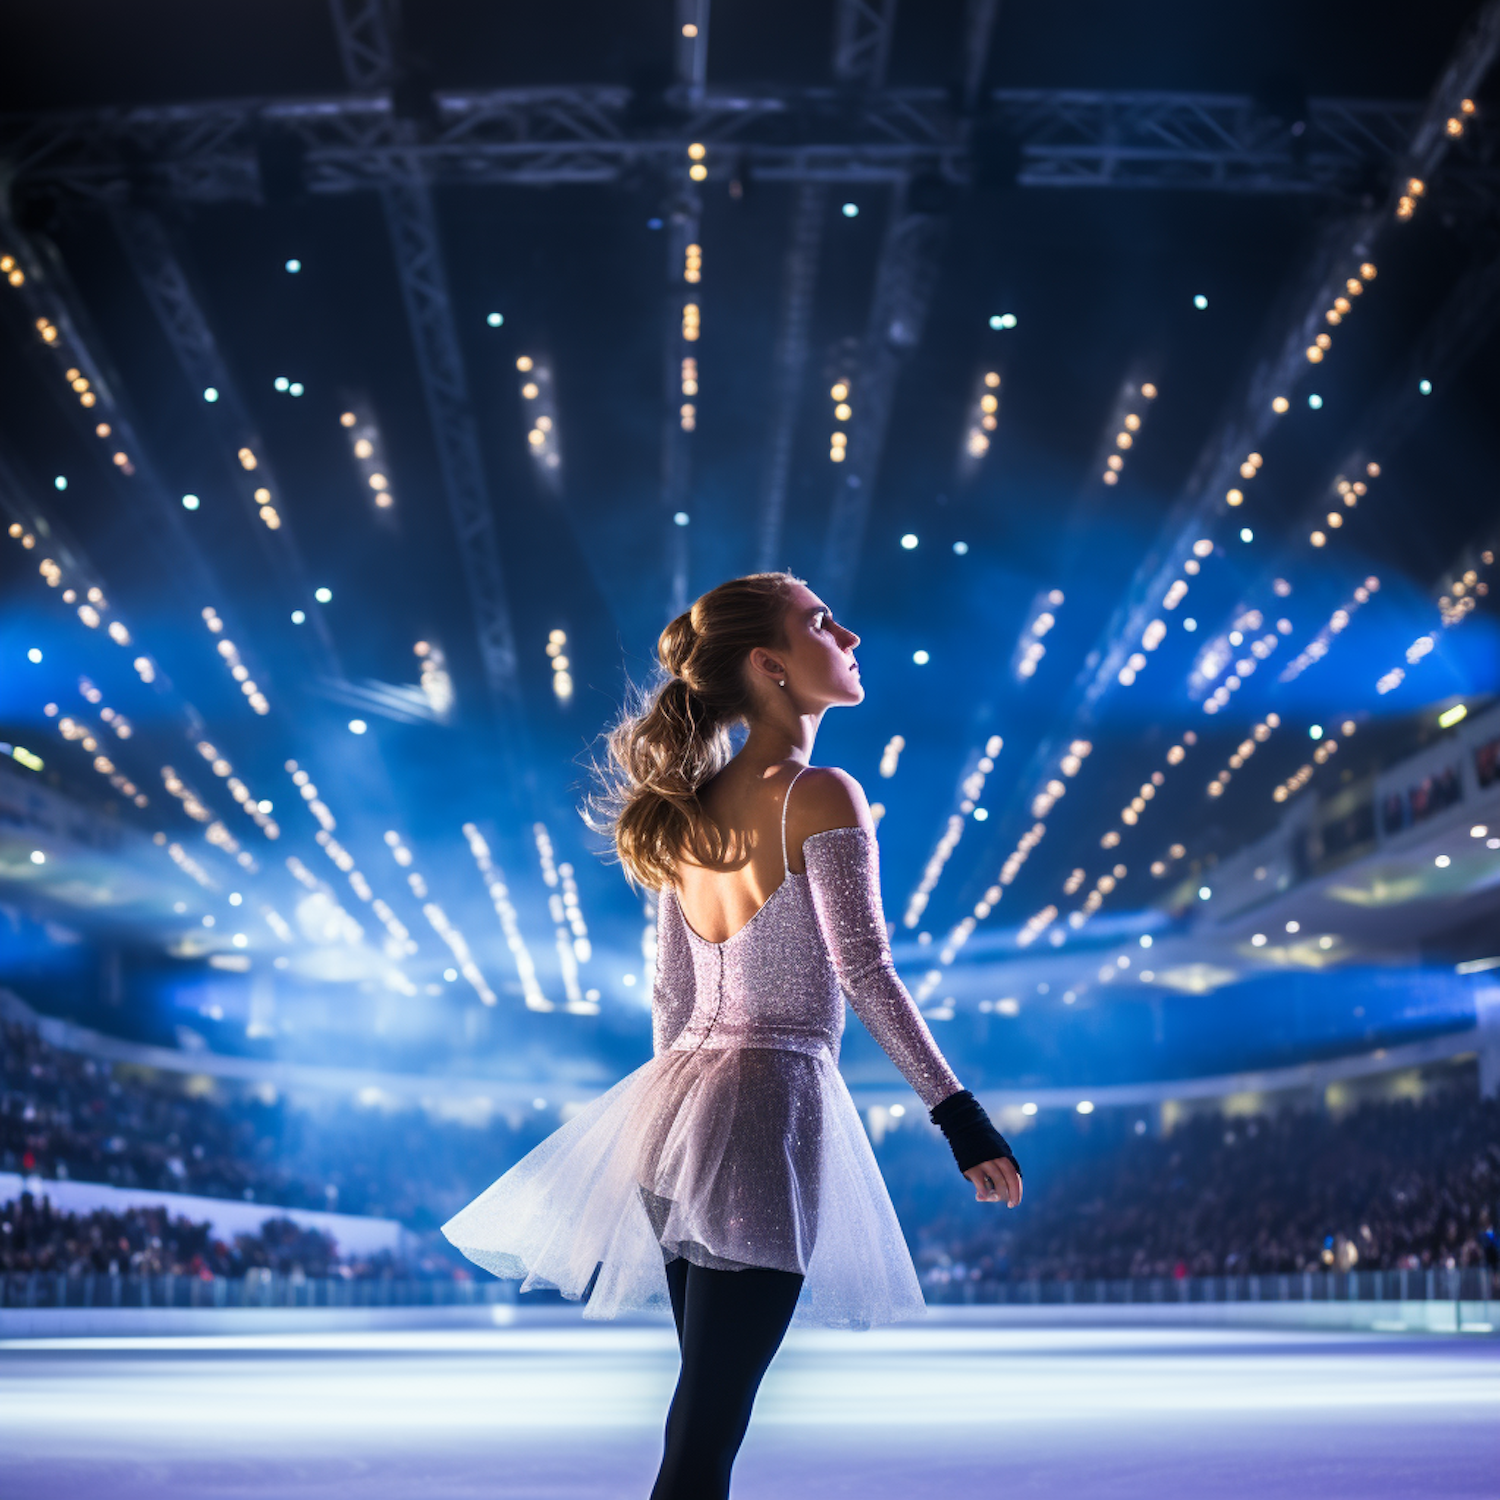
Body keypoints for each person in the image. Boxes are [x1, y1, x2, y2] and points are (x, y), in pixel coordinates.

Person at [442, 571, 1022, 1500]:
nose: (852, 636)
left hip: (674, 1124)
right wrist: (958, 1114)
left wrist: (668, 1136)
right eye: (823, 624)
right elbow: (864, 970)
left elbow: (672, 999)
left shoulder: (690, 810)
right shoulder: (820, 793)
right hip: (760, 1119)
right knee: (706, 1434)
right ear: (770, 665)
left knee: (702, 1422)